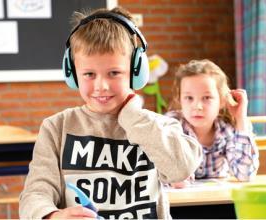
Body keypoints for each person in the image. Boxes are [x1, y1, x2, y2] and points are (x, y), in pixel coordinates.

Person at [19, 7, 202, 219]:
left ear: (136, 71)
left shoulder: (159, 126)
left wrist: (132, 117)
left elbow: (181, 169)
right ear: (72, 73)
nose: (101, 86)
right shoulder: (56, 128)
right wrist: (52, 216)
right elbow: (34, 194)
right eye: (89, 74)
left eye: (114, 73)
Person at [166, 59, 259, 188]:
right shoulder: (171, 127)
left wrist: (240, 118)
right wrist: (172, 177)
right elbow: (159, 172)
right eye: (189, 98)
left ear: (222, 100)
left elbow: (245, 175)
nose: (197, 106)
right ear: (179, 99)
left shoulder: (228, 128)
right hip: (180, 203)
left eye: (207, 98)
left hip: (219, 200)